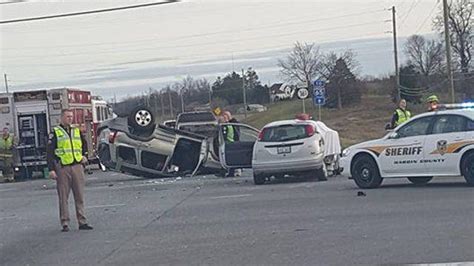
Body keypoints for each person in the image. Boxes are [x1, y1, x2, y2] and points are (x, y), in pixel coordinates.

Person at [47, 109, 93, 232]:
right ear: (61, 118)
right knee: (63, 197)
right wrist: (51, 169)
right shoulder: (56, 133)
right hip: (63, 167)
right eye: (67, 116)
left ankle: (82, 221)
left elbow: (84, 145)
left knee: (79, 195)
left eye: (71, 117)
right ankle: (65, 222)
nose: (70, 119)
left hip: (77, 166)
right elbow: (50, 153)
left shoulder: (76, 130)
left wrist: (85, 156)